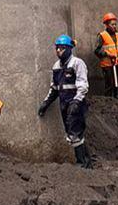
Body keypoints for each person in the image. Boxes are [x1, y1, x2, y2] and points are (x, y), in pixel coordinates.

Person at [37, 34, 92, 168]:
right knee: (71, 132)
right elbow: (55, 88)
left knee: (75, 132)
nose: (58, 51)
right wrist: (46, 103)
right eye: (57, 48)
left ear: (68, 49)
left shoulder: (77, 63)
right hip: (64, 103)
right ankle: (87, 162)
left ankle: (82, 163)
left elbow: (83, 84)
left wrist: (76, 101)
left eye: (61, 48)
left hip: (76, 103)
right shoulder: (56, 66)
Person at [93, 13, 118, 98]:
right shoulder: (102, 35)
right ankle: (109, 105)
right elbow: (96, 50)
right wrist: (107, 54)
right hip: (107, 65)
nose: (114, 26)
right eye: (112, 24)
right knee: (110, 85)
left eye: (115, 24)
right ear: (107, 25)